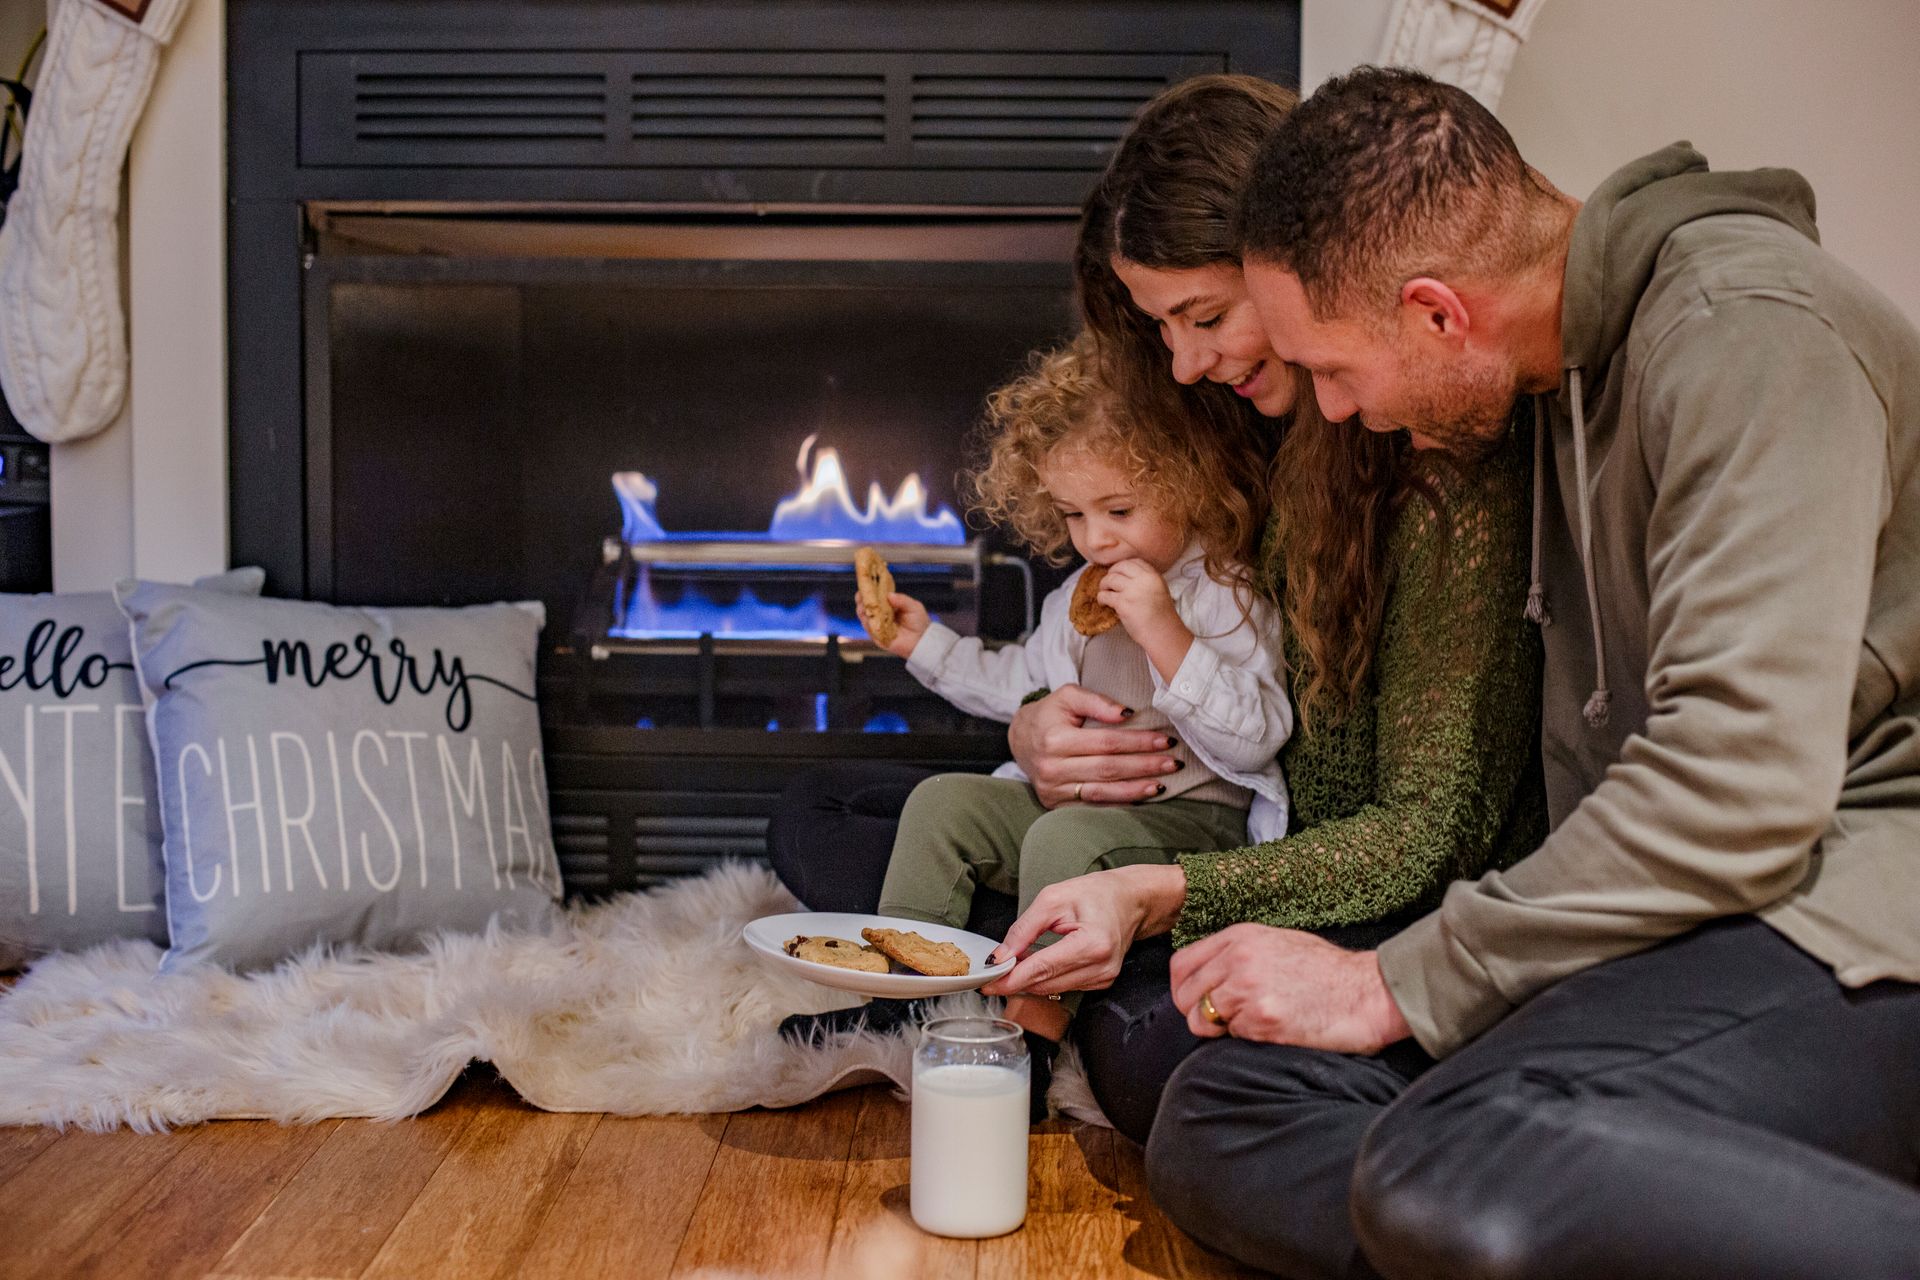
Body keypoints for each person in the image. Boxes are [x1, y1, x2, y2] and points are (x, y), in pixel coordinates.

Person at [1127, 65, 1920, 1279]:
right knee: (1226, 1105)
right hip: (1686, 925)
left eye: (1336, 372)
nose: (1333, 414)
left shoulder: (1748, 336)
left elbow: (1743, 787)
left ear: (1440, 314)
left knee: (1450, 1157)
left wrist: (1398, 979)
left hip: (1852, 922)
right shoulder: (1552, 388)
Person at [769, 74, 1546, 1141]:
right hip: (1147, 832)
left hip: (1283, 873)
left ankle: (1046, 980)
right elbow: (1068, 655)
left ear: (1296, 264)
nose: (1183, 361)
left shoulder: (1432, 450)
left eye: (1208, 316)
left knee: (1164, 1064)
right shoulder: (1217, 427)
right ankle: (1029, 948)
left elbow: (1415, 837)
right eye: (1163, 327)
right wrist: (1039, 724)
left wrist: (1153, 888)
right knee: (823, 810)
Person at [802, 335, 1289, 1116]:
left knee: (1060, 844)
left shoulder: (1224, 596)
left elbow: (1258, 737)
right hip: (1075, 814)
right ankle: (897, 990)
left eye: (1119, 511)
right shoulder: (1076, 603)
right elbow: (1017, 686)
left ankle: (1029, 1038)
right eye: (1073, 515)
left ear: (1190, 483)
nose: (1095, 539)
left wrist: (1165, 632)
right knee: (941, 806)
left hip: (1191, 825)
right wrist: (920, 642)